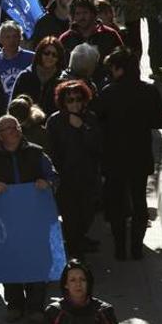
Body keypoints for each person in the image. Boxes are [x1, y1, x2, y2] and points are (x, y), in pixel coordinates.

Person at [0, 114, 55, 324]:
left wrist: (47, 183)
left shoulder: (36, 153)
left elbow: (54, 177)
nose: (14, 130)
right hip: (5, 221)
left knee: (38, 260)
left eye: (16, 126)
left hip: (35, 219)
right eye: (9, 128)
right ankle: (14, 304)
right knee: (10, 261)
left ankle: (36, 306)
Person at [94, 48, 162, 260]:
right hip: (139, 154)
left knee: (116, 204)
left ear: (118, 69)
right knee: (139, 201)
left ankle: (120, 248)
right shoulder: (149, 91)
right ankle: (136, 248)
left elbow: (98, 120)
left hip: (114, 156)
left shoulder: (108, 92)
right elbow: (160, 121)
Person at [46, 80, 101, 260]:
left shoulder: (91, 118)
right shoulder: (55, 121)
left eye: (78, 99)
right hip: (66, 179)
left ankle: (80, 240)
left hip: (88, 177)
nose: (75, 103)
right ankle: (75, 253)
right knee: (71, 218)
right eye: (70, 100)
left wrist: (82, 128)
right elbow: (51, 151)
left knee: (87, 214)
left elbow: (98, 146)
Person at [43, 260, 125, 324]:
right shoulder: (54, 312)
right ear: (66, 284)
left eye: (82, 279)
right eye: (72, 280)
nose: (78, 284)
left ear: (88, 283)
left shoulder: (104, 311)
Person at [58, 0, 122, 81]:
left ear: (93, 13)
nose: (81, 17)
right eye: (78, 13)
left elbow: (122, 63)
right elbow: (58, 67)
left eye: (85, 12)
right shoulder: (66, 39)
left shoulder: (110, 35)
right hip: (74, 90)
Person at [11, 36, 66, 115]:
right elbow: (14, 104)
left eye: (54, 55)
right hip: (26, 123)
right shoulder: (25, 76)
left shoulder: (62, 80)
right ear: (40, 53)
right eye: (47, 53)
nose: (50, 57)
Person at [0, 21, 35, 98]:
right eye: (7, 37)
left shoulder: (31, 58)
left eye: (15, 36)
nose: (12, 40)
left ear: (20, 38)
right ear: (0, 40)